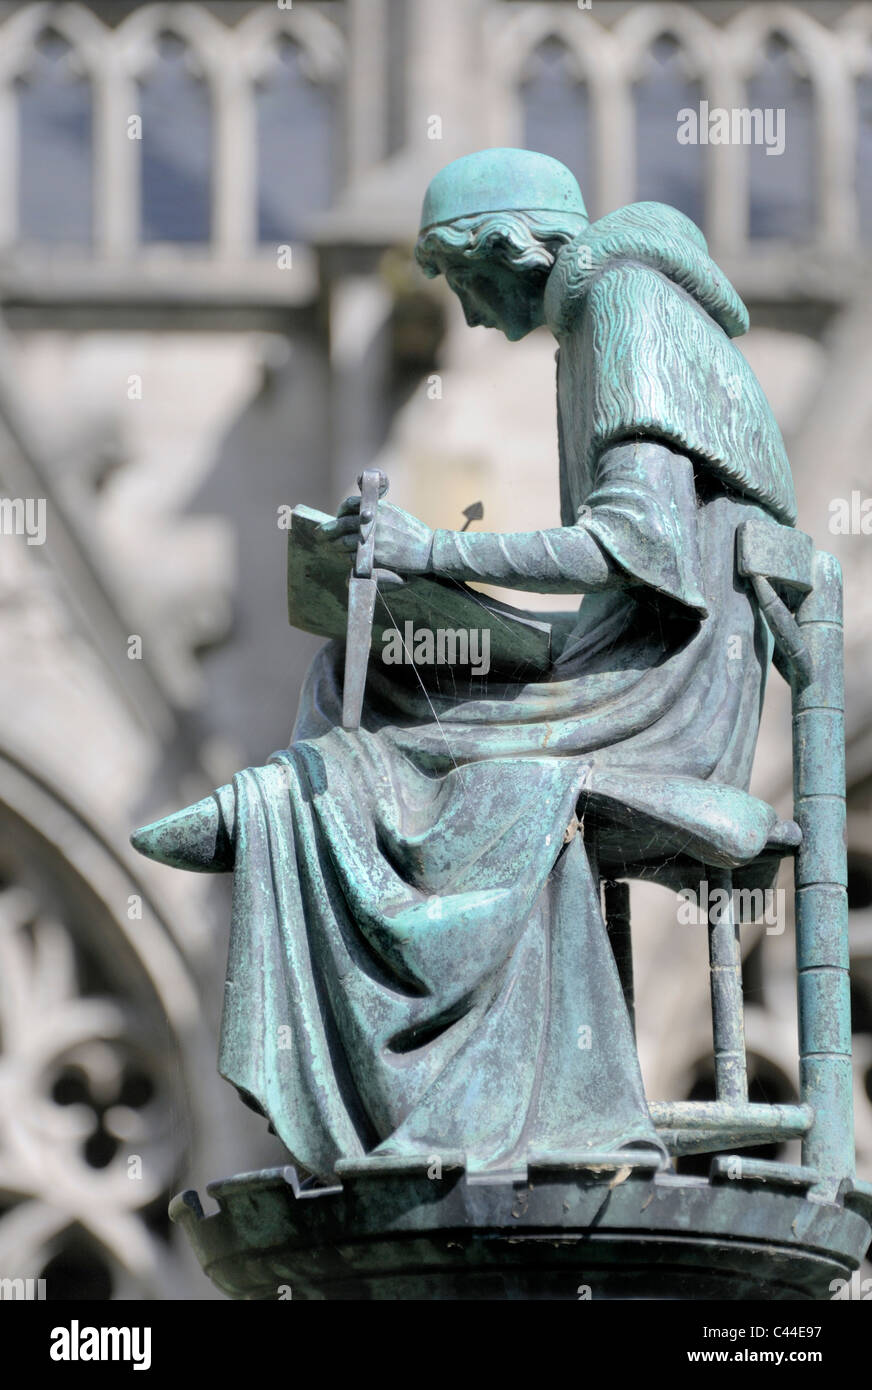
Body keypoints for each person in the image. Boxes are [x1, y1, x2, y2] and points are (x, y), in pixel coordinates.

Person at [132, 148, 796, 1182]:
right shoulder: (596, 318)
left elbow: (635, 547)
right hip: (624, 660)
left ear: (505, 247)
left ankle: (302, 850)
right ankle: (294, 824)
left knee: (431, 761)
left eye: (461, 282)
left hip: (662, 698)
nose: (473, 317)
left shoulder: (622, 306)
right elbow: (630, 568)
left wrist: (430, 552)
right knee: (375, 668)